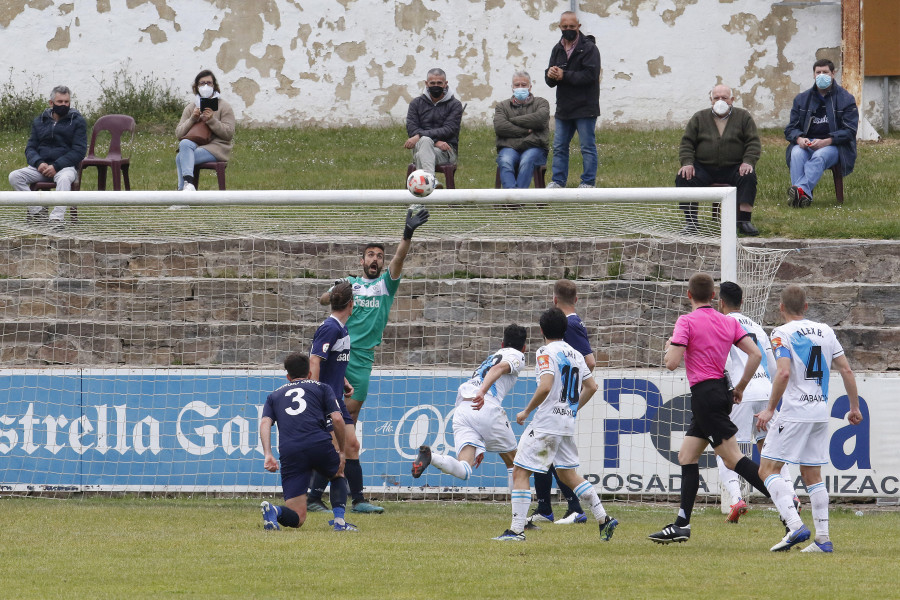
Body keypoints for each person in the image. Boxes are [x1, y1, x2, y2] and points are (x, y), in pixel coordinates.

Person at [311, 206, 430, 514]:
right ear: (361, 261)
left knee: (347, 434)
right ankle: (323, 496)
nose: (376, 259)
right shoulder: (350, 284)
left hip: (362, 364)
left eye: (379, 255)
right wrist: (340, 286)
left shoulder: (385, 286)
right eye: (370, 255)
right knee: (337, 435)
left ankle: (352, 498)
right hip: (339, 361)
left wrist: (408, 233)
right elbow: (324, 300)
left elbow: (399, 259)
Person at [648, 273, 772, 544]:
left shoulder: (687, 321)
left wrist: (669, 346)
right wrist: (739, 387)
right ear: (714, 297)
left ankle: (786, 507)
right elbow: (757, 354)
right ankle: (682, 524)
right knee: (687, 455)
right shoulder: (726, 320)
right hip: (721, 391)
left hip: (704, 395)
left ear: (689, 295)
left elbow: (671, 363)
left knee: (733, 459)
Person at [493, 307, 617, 542]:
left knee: (520, 471)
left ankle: (516, 531)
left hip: (546, 423)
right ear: (564, 330)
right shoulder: (576, 354)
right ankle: (604, 519)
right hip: (565, 424)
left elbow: (546, 385)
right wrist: (571, 409)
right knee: (568, 475)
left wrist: (526, 411)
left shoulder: (545, 351)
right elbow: (592, 387)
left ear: (541, 330)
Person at [757, 285, 863, 552]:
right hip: (819, 412)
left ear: (780, 308)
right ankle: (823, 539)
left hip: (794, 412)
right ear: (806, 307)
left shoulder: (781, 333)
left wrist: (770, 409)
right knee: (811, 473)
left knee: (767, 469)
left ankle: (794, 526)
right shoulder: (826, 331)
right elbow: (847, 370)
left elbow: (782, 374)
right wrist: (854, 407)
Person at [716, 281, 796, 523]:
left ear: (720, 302)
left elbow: (724, 361)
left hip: (741, 393)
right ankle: (792, 495)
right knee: (772, 450)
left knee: (727, 450)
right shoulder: (757, 327)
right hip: (764, 391)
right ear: (741, 302)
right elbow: (772, 364)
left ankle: (735, 498)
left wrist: (731, 389)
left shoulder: (722, 323)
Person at [411, 323, 527, 485]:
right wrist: (483, 392)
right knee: (516, 465)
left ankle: (432, 457)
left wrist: (479, 443)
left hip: (463, 410)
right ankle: (518, 512)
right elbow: (498, 369)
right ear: (524, 348)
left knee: (465, 468)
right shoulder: (517, 355)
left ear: (501, 344)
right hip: (484, 405)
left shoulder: (490, 358)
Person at [259, 352, 357, 532]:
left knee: (298, 517)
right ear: (310, 373)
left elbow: (265, 423)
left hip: (290, 451)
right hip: (318, 443)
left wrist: (268, 454)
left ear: (288, 376)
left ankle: (274, 510)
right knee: (337, 474)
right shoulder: (322, 387)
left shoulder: (274, 395)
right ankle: (340, 522)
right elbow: (337, 418)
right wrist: (341, 452)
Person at [528, 280, 593, 527]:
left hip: (559, 401)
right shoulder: (573, 324)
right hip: (561, 401)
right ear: (576, 299)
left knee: (548, 456)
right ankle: (548, 507)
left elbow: (590, 363)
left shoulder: (571, 325)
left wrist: (570, 398)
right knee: (547, 456)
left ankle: (574, 507)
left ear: (555, 300)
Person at [303, 282, 362, 515]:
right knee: (334, 447)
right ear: (351, 304)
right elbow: (315, 360)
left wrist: (344, 380)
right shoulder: (331, 327)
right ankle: (312, 497)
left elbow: (332, 361)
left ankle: (359, 500)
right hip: (327, 397)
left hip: (336, 394)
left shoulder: (341, 328)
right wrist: (316, 392)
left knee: (352, 445)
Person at [675, 84, 761, 236]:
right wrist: (687, 163)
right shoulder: (699, 117)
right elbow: (687, 143)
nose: (720, 101)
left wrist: (748, 161)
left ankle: (744, 221)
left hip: (733, 167)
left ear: (732, 99)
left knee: (748, 176)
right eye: (716, 98)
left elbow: (753, 142)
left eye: (724, 98)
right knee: (684, 176)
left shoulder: (743, 116)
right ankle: (691, 222)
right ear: (711, 100)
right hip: (704, 168)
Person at [8, 85, 86, 228]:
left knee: (64, 179)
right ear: (51, 103)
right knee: (14, 176)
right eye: (60, 102)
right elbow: (30, 148)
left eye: (66, 102)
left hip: (65, 168)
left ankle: (56, 219)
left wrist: (56, 166)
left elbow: (79, 151)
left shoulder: (77, 121)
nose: (64, 105)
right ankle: (38, 213)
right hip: (41, 168)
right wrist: (38, 163)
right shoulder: (39, 121)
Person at [784, 59, 858, 207]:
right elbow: (790, 128)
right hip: (807, 143)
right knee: (796, 153)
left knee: (819, 155)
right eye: (818, 72)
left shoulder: (846, 99)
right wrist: (799, 139)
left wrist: (827, 142)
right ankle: (803, 197)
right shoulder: (801, 99)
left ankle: (800, 191)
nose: (821, 75)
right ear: (813, 75)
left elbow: (850, 131)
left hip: (834, 146)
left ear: (833, 74)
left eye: (825, 72)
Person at [544, 11, 601, 189]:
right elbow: (550, 82)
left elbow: (590, 76)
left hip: (585, 107)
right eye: (565, 26)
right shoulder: (557, 49)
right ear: (560, 27)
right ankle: (558, 181)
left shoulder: (590, 48)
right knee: (560, 147)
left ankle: (588, 182)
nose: (568, 29)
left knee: (587, 147)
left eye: (572, 26)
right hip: (564, 108)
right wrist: (550, 75)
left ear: (579, 27)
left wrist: (564, 75)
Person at [174, 70, 235, 192]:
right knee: (184, 144)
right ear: (196, 87)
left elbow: (228, 134)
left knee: (180, 157)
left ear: (214, 86)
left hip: (217, 148)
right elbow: (179, 134)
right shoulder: (191, 107)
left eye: (209, 83)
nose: (205, 86)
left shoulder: (224, 106)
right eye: (202, 83)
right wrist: (192, 119)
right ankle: (189, 186)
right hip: (195, 144)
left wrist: (212, 120)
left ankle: (182, 194)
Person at [405, 68, 463, 183]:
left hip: (446, 150)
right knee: (425, 142)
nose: (435, 86)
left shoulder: (455, 105)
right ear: (426, 84)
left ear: (445, 84)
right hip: (423, 146)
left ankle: (425, 189)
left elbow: (449, 130)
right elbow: (412, 129)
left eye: (439, 83)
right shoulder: (416, 104)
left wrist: (419, 135)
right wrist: (435, 142)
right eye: (432, 83)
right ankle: (431, 182)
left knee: (420, 154)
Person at [493, 71, 550, 189]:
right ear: (512, 87)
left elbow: (540, 120)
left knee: (526, 161)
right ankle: (513, 197)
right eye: (517, 85)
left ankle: (516, 199)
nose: (520, 88)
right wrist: (525, 131)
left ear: (530, 86)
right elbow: (500, 127)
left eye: (523, 85)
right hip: (509, 148)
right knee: (505, 161)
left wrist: (512, 120)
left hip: (534, 147)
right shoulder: (502, 106)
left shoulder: (541, 103)